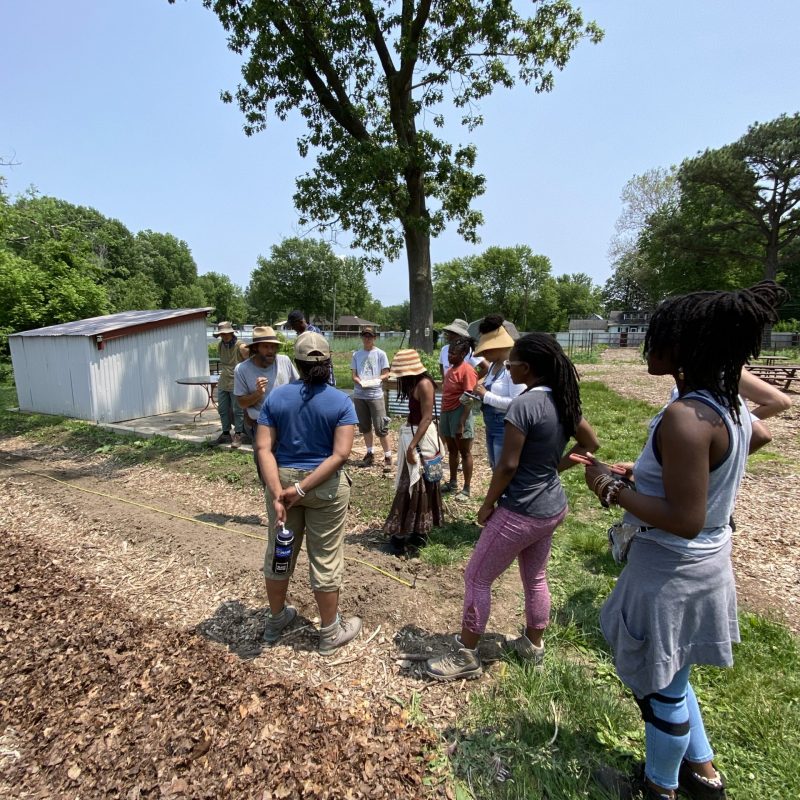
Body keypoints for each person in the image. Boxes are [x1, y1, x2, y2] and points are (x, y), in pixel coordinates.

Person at [584, 282, 788, 800]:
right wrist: (655, 477)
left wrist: (612, 488)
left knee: (659, 687)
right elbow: (740, 451)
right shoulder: (728, 406)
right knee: (675, 675)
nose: (650, 347)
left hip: (671, 570)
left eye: (661, 338)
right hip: (708, 564)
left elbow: (685, 517)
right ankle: (704, 774)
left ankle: (659, 787)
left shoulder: (684, 416)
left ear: (687, 347)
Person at [425, 334, 599, 681]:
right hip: (552, 506)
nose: (509, 365)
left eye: (513, 361)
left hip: (520, 509)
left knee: (477, 576)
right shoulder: (564, 401)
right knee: (535, 577)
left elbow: (507, 466)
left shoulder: (523, 405)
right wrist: (555, 467)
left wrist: (487, 505)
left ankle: (467, 654)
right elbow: (591, 443)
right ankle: (533, 646)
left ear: (527, 368)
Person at [255, 331, 362, 655]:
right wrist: (302, 488)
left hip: (282, 483)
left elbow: (263, 447)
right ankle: (329, 632)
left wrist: (279, 493)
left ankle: (276, 621)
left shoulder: (275, 398)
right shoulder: (341, 401)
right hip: (324, 489)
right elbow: (340, 455)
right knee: (325, 557)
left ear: (298, 365)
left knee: (281, 550)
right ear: (328, 363)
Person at [383, 349, 444, 556]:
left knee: (416, 483)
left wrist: (411, 447)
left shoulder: (424, 384)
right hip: (414, 435)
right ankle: (414, 532)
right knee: (413, 484)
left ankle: (406, 534)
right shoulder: (414, 383)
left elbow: (427, 418)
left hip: (421, 440)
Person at [471, 314, 524, 469]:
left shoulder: (511, 369)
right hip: (491, 425)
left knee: (504, 468)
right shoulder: (494, 366)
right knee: (495, 466)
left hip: (505, 426)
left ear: (499, 347)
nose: (484, 356)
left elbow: (517, 403)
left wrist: (486, 396)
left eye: (486, 351)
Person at [234, 326, 299, 445]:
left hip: (286, 422)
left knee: (287, 461)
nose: (271, 351)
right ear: (255, 348)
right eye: (266, 346)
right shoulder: (242, 369)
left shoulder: (284, 361)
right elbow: (242, 403)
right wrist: (258, 393)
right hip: (260, 423)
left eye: (273, 346)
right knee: (264, 460)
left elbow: (299, 388)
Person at [440, 337, 478, 500]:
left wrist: (461, 423)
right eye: (449, 353)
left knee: (464, 452)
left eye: (453, 354)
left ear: (463, 353)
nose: (449, 356)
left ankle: (466, 488)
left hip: (459, 413)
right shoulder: (451, 369)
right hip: (447, 412)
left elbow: (469, 399)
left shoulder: (467, 370)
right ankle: (453, 481)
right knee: (452, 449)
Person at [351, 326, 392, 472]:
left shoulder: (381, 354)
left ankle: (387, 456)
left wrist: (376, 380)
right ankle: (369, 453)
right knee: (365, 426)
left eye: (370, 336)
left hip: (375, 394)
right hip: (360, 394)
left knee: (381, 427)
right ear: (362, 338)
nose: (367, 338)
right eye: (365, 336)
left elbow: (386, 373)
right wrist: (358, 380)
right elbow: (354, 374)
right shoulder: (356, 355)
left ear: (374, 338)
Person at [211, 321, 246, 447]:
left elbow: (250, 362)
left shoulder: (240, 345)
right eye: (222, 334)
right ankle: (226, 433)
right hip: (223, 381)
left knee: (238, 410)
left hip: (237, 381)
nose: (224, 336)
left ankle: (239, 434)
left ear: (231, 333)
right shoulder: (221, 345)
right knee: (222, 409)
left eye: (226, 333)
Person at [287, 309, 335, 385]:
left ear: (300, 322)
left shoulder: (314, 334)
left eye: (293, 325)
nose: (292, 328)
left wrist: (330, 383)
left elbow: (323, 360)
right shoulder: (301, 335)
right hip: (309, 381)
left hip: (318, 381)